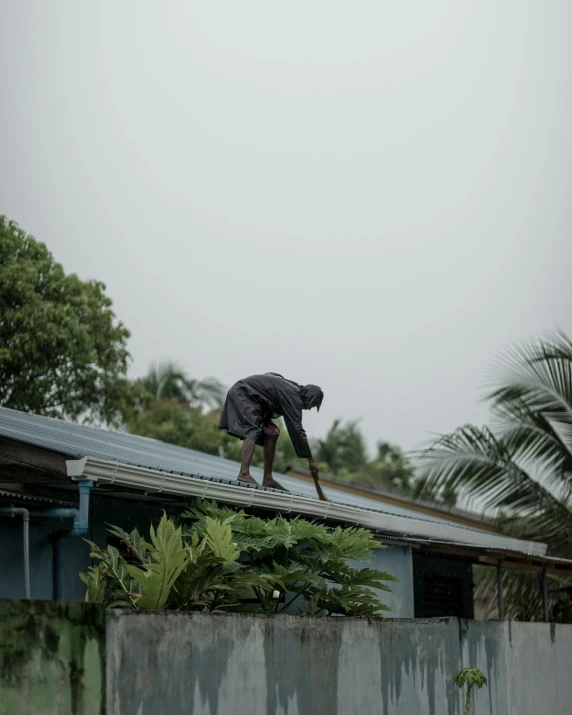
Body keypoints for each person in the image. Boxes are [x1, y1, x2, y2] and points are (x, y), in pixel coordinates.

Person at [219, 373, 328, 500]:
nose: (309, 408)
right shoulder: (293, 395)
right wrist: (311, 461)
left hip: (256, 403)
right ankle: (244, 473)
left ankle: (268, 478)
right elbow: (297, 430)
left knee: (272, 432)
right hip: (243, 393)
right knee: (253, 428)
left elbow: (272, 377)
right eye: (312, 405)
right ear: (310, 398)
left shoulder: (291, 389)